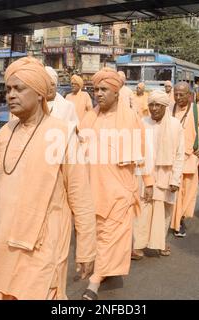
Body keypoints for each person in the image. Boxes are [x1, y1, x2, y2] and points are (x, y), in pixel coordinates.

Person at [0, 57, 97, 300]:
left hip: (44, 244)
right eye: (8, 89)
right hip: (6, 238)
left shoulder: (63, 134)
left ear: (40, 93)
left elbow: (81, 196)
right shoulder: (8, 130)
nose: (11, 95)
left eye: (19, 89)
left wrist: (86, 249)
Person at [78, 67, 145, 300]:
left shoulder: (132, 119)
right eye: (95, 89)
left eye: (104, 89)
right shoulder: (89, 118)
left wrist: (144, 185)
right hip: (92, 189)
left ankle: (94, 283)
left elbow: (142, 157)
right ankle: (104, 269)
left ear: (116, 92)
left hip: (119, 190)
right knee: (96, 235)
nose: (98, 93)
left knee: (110, 235)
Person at [132, 90, 184, 258]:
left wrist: (176, 179)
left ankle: (160, 243)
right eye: (151, 105)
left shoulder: (175, 125)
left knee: (163, 212)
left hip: (166, 175)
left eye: (157, 105)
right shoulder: (142, 122)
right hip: (144, 174)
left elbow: (179, 154)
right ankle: (138, 246)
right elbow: (136, 151)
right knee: (143, 210)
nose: (154, 108)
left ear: (165, 107)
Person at [170, 82, 199, 237]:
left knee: (189, 192)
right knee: (176, 191)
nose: (178, 97)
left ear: (189, 95)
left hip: (190, 157)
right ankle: (177, 223)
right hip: (173, 158)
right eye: (176, 94)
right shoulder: (168, 109)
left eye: (182, 94)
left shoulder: (198, 111)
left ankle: (180, 217)